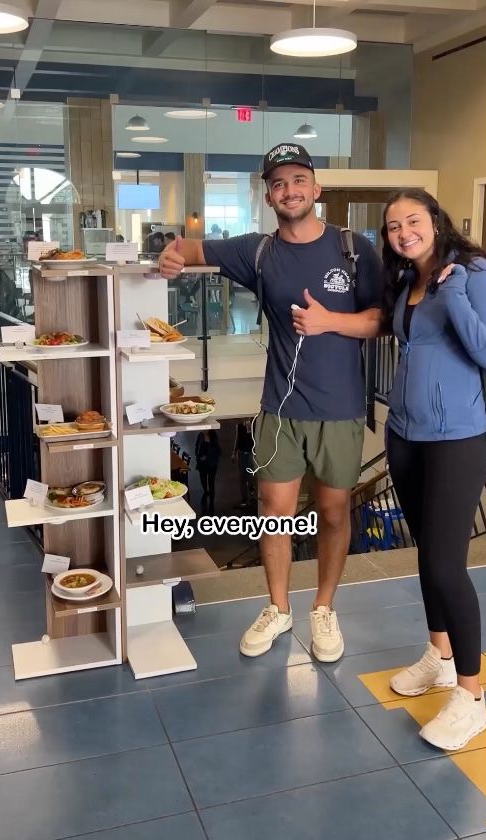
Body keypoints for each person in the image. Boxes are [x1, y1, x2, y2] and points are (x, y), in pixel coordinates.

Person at [159, 142, 383, 661]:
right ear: (268, 194)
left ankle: (323, 609)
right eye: (279, 183)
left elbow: (382, 319)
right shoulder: (258, 251)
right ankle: (279, 608)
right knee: (274, 514)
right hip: (279, 410)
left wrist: (330, 322)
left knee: (332, 514)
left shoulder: (352, 248)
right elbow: (190, 249)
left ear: (316, 188)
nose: (290, 190)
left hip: (340, 410)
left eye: (298, 180)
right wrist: (170, 256)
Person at [381, 188, 486, 751]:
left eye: (413, 220)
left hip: (457, 439)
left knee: (448, 565)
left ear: (435, 220)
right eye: (394, 226)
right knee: (426, 555)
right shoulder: (406, 282)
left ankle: (471, 698)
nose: (404, 232)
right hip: (404, 434)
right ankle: (440, 655)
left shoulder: (473, 272)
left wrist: (456, 299)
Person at [195, 431, 221, 514]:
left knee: (211, 482)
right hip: (202, 463)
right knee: (202, 479)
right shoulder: (200, 435)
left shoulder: (213, 436)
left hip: (211, 464)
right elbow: (197, 446)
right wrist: (198, 456)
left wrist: (206, 457)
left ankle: (211, 504)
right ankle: (205, 491)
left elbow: (218, 451)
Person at [232, 418, 255, 508]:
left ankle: (252, 490)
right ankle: (244, 499)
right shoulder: (239, 426)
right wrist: (234, 452)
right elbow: (237, 439)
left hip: (250, 454)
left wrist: (250, 430)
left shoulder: (254, 425)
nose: (246, 420)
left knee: (250, 476)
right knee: (242, 478)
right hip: (241, 454)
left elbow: (255, 440)